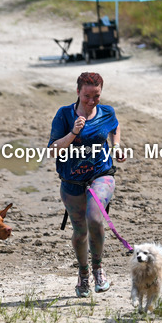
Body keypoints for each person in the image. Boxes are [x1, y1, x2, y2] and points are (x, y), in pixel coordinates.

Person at [49, 72, 127, 297]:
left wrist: (117, 145)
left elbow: (115, 127)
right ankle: (83, 274)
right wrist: (74, 132)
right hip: (72, 180)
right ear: (77, 92)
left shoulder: (107, 112)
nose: (92, 101)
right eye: (87, 96)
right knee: (80, 231)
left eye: (96, 96)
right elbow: (53, 149)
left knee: (94, 218)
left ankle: (98, 269)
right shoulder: (64, 115)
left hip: (101, 174)